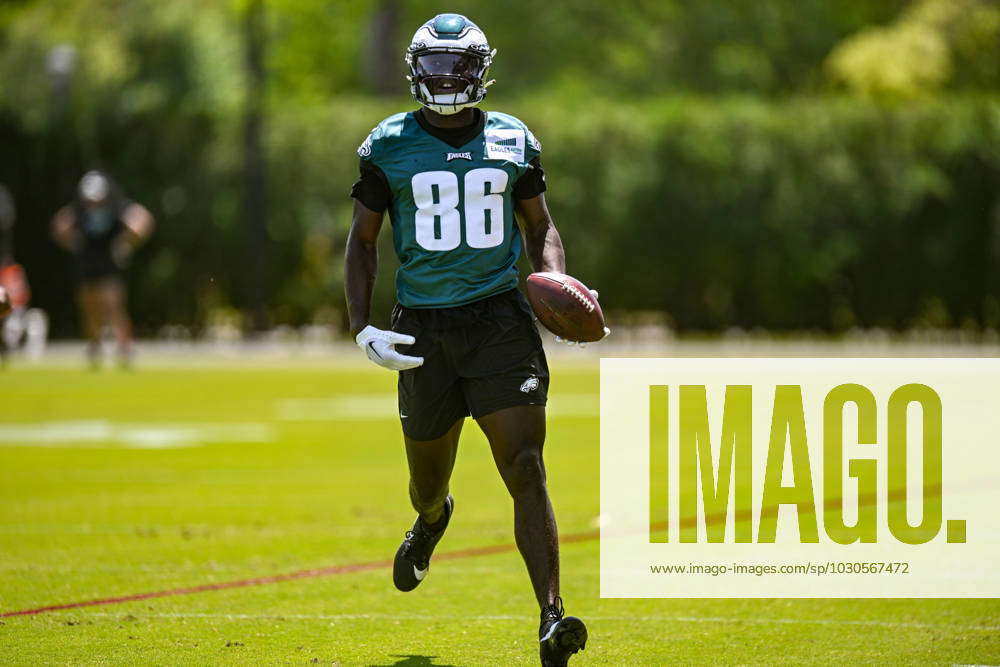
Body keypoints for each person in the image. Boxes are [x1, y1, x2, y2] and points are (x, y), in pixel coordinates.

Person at [344, 14, 605, 666]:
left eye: (457, 67)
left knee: (525, 465)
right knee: (425, 482)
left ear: (479, 71)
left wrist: (554, 276)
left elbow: (540, 224)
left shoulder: (515, 139)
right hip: (424, 327)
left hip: (498, 322)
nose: (445, 79)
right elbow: (363, 241)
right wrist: (362, 327)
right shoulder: (388, 145)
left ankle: (551, 618)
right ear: (415, 71)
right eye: (435, 67)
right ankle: (432, 520)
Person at [51, 170, 154, 367]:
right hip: (87, 261)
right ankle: (95, 347)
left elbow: (143, 220)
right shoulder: (79, 209)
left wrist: (126, 242)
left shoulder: (117, 206)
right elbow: (59, 225)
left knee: (112, 304)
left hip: (109, 260)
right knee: (88, 305)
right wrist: (74, 242)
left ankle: (124, 349)